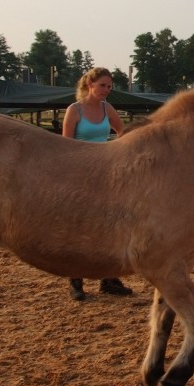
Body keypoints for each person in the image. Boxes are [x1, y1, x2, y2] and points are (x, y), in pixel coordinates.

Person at [62, 67, 134, 301]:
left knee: (110, 226)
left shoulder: (107, 109)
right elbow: (65, 146)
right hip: (80, 174)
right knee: (79, 228)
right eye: (103, 85)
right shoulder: (74, 110)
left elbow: (123, 131)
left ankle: (109, 279)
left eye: (109, 86)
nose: (107, 90)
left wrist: (117, 152)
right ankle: (75, 281)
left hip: (105, 173)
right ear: (90, 84)